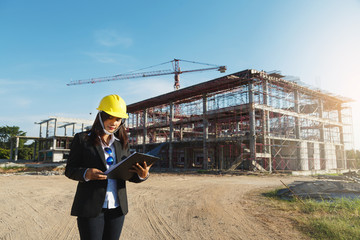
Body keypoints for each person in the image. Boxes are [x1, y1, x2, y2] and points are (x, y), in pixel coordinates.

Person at [65, 94, 152, 240]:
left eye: (118, 119)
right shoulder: (82, 139)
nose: (114, 123)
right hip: (91, 208)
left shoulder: (122, 143)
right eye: (110, 117)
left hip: (117, 209)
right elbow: (70, 169)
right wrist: (86, 173)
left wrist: (142, 175)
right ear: (100, 116)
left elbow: (128, 174)